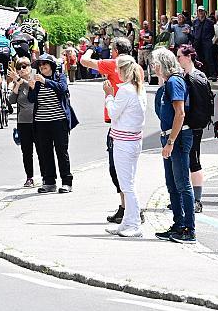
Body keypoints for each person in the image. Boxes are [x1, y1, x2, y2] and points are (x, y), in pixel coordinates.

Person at [81, 37, 142, 223]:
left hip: (119, 124)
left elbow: (84, 61)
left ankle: (131, 210)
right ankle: (125, 208)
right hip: (132, 126)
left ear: (116, 51)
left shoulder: (113, 64)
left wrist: (90, 49)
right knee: (126, 171)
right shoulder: (137, 67)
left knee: (117, 170)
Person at [152, 48, 196, 244]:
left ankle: (189, 228)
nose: (153, 66)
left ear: (163, 63)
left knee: (182, 183)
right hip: (170, 136)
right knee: (172, 184)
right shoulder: (167, 83)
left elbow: (180, 114)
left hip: (177, 137)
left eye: (155, 63)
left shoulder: (174, 81)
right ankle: (178, 224)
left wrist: (170, 141)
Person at [103, 55, 147, 237]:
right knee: (128, 183)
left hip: (124, 142)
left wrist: (108, 96)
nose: (115, 72)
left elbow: (113, 113)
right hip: (132, 140)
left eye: (117, 69)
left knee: (126, 185)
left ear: (123, 70)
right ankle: (127, 222)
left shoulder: (126, 91)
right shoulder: (138, 89)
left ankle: (135, 224)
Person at [28, 54, 79, 194]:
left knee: (61, 152)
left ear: (51, 65)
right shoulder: (37, 80)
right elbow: (32, 100)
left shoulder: (59, 77)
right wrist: (32, 88)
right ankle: (49, 182)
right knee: (45, 153)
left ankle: (67, 182)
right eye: (40, 64)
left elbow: (62, 89)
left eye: (45, 64)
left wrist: (45, 81)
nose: (42, 66)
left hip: (59, 121)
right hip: (41, 122)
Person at [176, 45, 208, 213]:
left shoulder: (195, 77)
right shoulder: (187, 76)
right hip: (189, 125)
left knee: (194, 162)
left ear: (188, 57)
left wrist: (194, 123)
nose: (177, 59)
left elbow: (200, 106)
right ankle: (187, 198)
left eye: (179, 56)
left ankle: (196, 200)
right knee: (187, 161)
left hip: (193, 126)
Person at [8, 57, 37, 188]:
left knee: (42, 149)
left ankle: (47, 176)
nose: (21, 69)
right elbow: (12, 101)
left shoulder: (35, 78)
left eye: (24, 66)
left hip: (38, 120)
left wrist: (20, 80)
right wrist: (16, 85)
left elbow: (32, 86)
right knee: (26, 151)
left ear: (30, 67)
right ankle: (29, 177)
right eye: (19, 67)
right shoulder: (18, 82)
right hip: (23, 121)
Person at [193, 5, 216, 79]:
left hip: (206, 42)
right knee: (199, 59)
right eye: (199, 11)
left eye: (201, 11)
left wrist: (208, 39)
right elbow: (194, 31)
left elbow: (213, 33)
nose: (200, 12)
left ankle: (213, 74)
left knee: (209, 58)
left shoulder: (210, 22)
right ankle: (202, 74)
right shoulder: (195, 22)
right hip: (197, 42)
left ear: (204, 12)